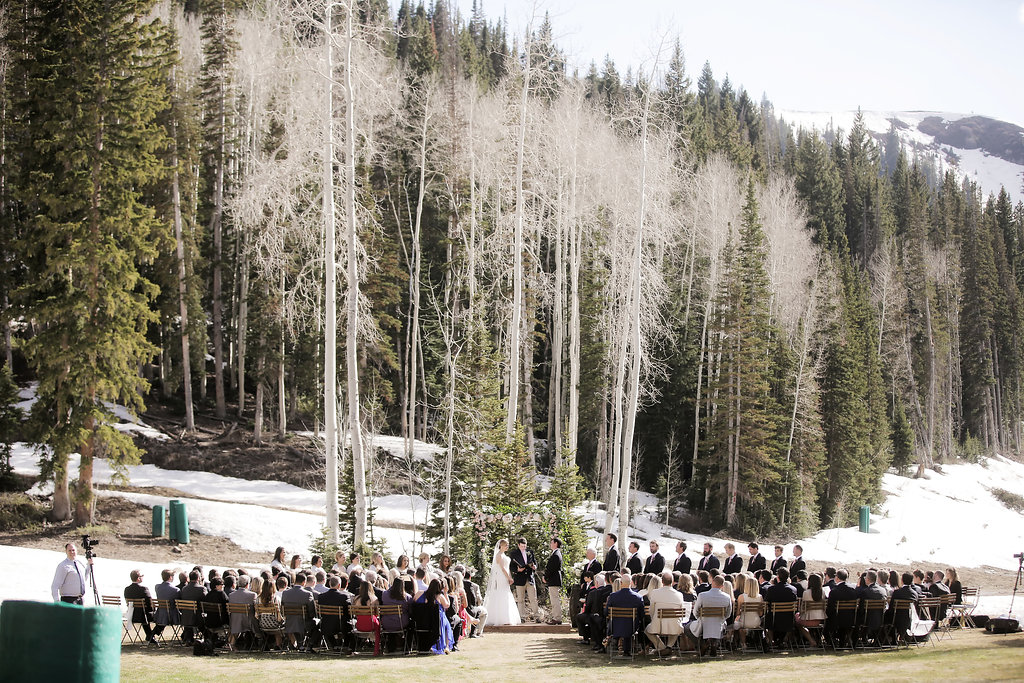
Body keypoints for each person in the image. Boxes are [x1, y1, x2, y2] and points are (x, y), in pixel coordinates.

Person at [685, 575, 732, 655]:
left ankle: (702, 644)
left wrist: (699, 618)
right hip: (718, 623)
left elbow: (695, 611)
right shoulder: (727, 597)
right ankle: (713, 643)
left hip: (704, 623)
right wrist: (721, 619)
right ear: (722, 585)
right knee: (718, 626)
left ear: (712, 582)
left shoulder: (702, 595)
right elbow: (728, 613)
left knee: (686, 628)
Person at [645, 572, 688, 654]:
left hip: (659, 625)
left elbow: (652, 611)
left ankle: (662, 647)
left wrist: (654, 619)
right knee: (676, 626)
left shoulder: (655, 593)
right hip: (674, 626)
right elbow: (681, 611)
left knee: (647, 630)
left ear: (662, 581)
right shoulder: (679, 595)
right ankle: (668, 647)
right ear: (672, 582)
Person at [482, 539, 521, 627]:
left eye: (508, 545)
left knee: (506, 594)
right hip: (501, 577)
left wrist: (510, 577)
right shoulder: (499, 555)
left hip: (506, 576)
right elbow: (502, 568)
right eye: (506, 545)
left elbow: (507, 568)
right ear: (501, 546)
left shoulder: (504, 555)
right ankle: (500, 618)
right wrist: (508, 578)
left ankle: (507, 617)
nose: (507, 546)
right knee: (501, 594)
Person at [605, 577, 644, 656]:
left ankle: (616, 645)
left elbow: (606, 612)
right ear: (630, 583)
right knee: (628, 624)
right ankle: (627, 651)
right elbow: (641, 614)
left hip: (615, 627)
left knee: (620, 623)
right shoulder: (638, 597)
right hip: (631, 627)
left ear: (621, 583)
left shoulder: (613, 596)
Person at [415, 578, 455, 654]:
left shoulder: (419, 593)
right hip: (435, 623)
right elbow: (447, 605)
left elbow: (413, 602)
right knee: (446, 622)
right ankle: (446, 646)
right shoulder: (440, 597)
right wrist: (446, 593)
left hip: (420, 621)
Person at [280, 572, 316, 650]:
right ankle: (309, 645)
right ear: (304, 582)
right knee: (317, 625)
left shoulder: (285, 593)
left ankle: (300, 644)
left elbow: (282, 608)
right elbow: (311, 612)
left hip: (289, 622)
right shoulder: (308, 594)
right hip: (303, 623)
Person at [509, 537, 539, 623]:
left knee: (533, 598)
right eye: (522, 546)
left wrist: (535, 567)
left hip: (530, 578)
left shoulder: (530, 552)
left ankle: (537, 616)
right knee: (520, 599)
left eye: (525, 546)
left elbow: (535, 562)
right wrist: (517, 570)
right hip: (519, 578)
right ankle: (521, 617)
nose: (524, 548)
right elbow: (511, 566)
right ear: (518, 545)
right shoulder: (514, 553)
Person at [124, 569, 158, 644]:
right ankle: (151, 635)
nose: (143, 577)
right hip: (143, 616)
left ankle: (150, 635)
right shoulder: (143, 589)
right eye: (142, 576)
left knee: (144, 613)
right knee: (160, 616)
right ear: (138, 578)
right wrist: (155, 610)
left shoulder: (127, 589)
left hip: (132, 615)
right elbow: (150, 604)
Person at [318, 575, 351, 651]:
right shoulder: (344, 596)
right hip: (340, 625)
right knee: (349, 625)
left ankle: (334, 645)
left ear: (329, 584)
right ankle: (345, 646)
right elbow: (348, 612)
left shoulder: (321, 597)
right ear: (339, 585)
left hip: (325, 625)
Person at [227, 574, 258, 651]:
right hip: (248, 623)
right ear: (247, 585)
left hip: (235, 623)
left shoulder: (231, 595)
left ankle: (232, 644)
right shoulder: (252, 595)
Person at [795, 573, 827, 646]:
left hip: (807, 619)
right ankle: (816, 639)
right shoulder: (823, 592)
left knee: (797, 622)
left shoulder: (806, 593)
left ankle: (810, 640)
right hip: (819, 620)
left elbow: (803, 609)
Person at [179, 569, 208, 644]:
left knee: (190, 613)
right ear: (198, 578)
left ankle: (188, 638)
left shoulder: (184, 589)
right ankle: (208, 637)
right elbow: (206, 600)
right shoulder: (202, 589)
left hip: (185, 617)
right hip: (197, 618)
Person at [353, 578, 382, 655]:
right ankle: (376, 650)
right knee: (378, 627)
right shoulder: (374, 599)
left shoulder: (356, 599)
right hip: (372, 624)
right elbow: (377, 614)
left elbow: (355, 614)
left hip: (360, 624)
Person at [461, 566, 487, 636]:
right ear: (470, 577)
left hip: (461, 608)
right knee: (483, 611)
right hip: (470, 608)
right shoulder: (474, 585)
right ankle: (478, 632)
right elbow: (477, 599)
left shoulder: (458, 584)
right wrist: (478, 604)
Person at [154, 568, 181, 633]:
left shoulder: (157, 587)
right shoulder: (175, 590)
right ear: (170, 577)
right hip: (172, 615)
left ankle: (152, 634)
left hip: (160, 614)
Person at [544, 538, 563, 624]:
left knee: (554, 599)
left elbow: (551, 568)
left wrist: (545, 576)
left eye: (551, 542)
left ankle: (557, 618)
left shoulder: (556, 555)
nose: (550, 544)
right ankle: (556, 617)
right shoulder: (556, 553)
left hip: (554, 579)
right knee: (554, 599)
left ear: (556, 543)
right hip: (554, 579)